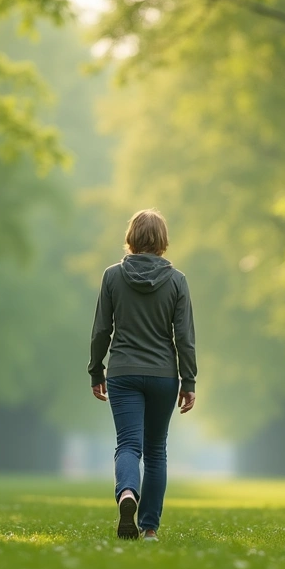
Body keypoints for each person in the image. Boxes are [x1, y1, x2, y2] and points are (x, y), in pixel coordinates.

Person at [88, 209, 197, 542]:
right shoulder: (177, 281)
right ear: (163, 240)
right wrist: (188, 381)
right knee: (155, 450)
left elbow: (102, 330)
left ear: (131, 237)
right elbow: (184, 338)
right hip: (164, 375)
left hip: (123, 371)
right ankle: (149, 528)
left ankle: (126, 494)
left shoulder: (111, 277)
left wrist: (96, 370)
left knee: (128, 445)